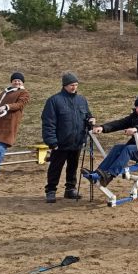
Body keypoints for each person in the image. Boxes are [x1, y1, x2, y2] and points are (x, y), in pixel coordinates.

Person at [83, 94, 138, 187]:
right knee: (117, 148)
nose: (137, 109)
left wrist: (136, 129)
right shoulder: (136, 115)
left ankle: (109, 175)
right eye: (137, 107)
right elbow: (120, 123)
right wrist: (103, 128)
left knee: (128, 149)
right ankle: (97, 174)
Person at [41, 72, 94, 203]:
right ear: (65, 85)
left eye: (76, 85)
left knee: (73, 167)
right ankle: (51, 190)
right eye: (71, 85)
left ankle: (70, 189)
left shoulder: (82, 100)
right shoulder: (54, 101)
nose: (74, 87)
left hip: (77, 141)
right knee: (55, 167)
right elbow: (48, 123)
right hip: (60, 142)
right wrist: (52, 141)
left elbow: (87, 115)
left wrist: (91, 120)